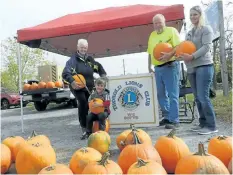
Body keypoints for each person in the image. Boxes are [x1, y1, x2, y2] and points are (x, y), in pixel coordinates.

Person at [179, 5, 218, 135]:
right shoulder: (189, 32)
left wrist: (192, 56)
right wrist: (181, 55)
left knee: (203, 96)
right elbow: (185, 47)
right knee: (197, 97)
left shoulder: (206, 29)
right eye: (191, 15)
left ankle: (211, 125)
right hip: (191, 68)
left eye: (195, 14)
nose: (193, 17)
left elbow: (207, 47)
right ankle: (202, 123)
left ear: (200, 15)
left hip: (204, 66)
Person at [62, 39, 107, 139]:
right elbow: (65, 73)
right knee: (82, 102)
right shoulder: (73, 60)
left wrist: (103, 75)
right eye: (81, 47)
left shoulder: (89, 59)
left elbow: (98, 66)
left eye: (85, 48)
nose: (83, 49)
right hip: (77, 86)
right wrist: (72, 82)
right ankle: (84, 127)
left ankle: (92, 124)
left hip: (89, 86)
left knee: (91, 103)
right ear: (77, 47)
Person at [147, 14, 181, 129]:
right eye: (155, 23)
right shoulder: (152, 35)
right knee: (161, 94)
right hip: (158, 68)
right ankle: (166, 117)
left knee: (173, 94)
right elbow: (150, 52)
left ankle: (175, 120)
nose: (157, 25)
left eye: (159, 22)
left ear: (164, 21)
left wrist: (169, 54)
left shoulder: (172, 31)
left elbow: (178, 46)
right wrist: (148, 66)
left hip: (170, 66)